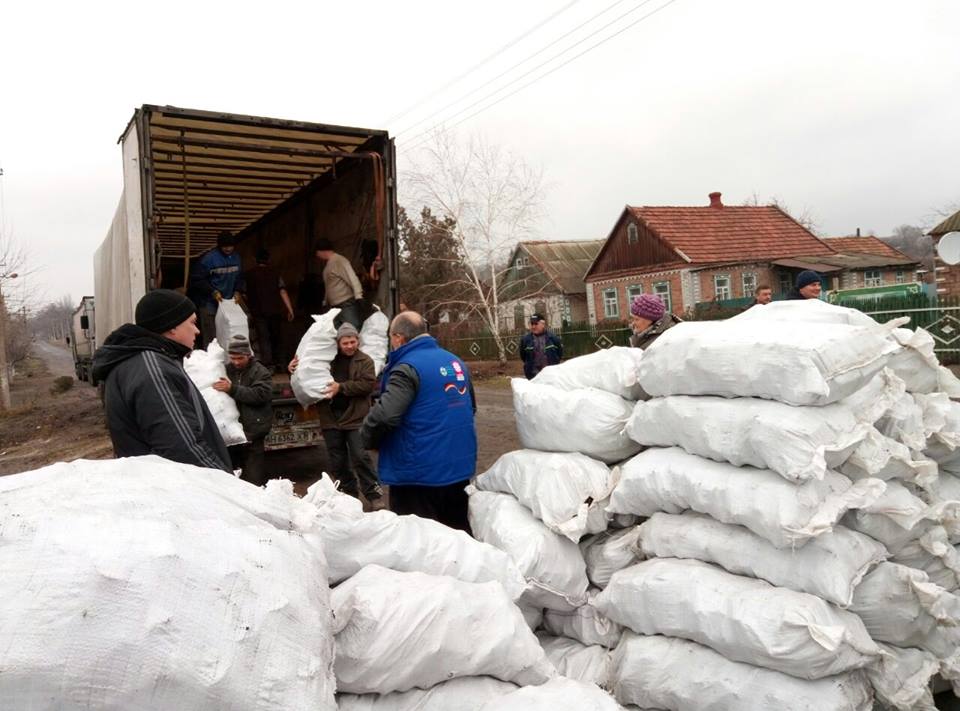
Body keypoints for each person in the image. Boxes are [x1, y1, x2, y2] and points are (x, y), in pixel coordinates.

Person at [360, 311, 477, 531]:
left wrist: (367, 440)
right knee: (457, 538)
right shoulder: (456, 362)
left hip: (417, 476)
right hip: (457, 470)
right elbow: (471, 408)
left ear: (398, 338)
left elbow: (385, 416)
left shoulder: (406, 368)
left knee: (418, 540)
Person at [91, 289, 231, 472]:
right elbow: (181, 447)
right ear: (172, 326)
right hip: (183, 484)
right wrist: (227, 482)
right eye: (192, 323)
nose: (197, 331)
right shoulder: (151, 368)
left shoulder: (144, 361)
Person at [290, 323, 385, 510]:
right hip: (330, 418)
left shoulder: (365, 360)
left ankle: (374, 495)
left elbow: (367, 385)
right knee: (337, 461)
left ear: (358, 341)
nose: (350, 346)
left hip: (355, 417)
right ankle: (348, 496)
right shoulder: (326, 359)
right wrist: (294, 368)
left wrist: (340, 387)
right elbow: (308, 373)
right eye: (345, 343)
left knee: (361, 457)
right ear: (338, 343)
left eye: (353, 342)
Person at [214, 334, 273, 486]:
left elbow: (260, 395)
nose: (236, 362)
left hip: (253, 431)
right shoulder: (227, 370)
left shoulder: (260, 372)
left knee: (253, 477)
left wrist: (232, 389)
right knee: (234, 475)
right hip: (232, 432)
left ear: (248, 355)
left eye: (240, 358)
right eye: (233, 358)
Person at [240, 247, 294, 370]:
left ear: (254, 259)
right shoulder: (275, 273)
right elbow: (282, 291)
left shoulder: (249, 275)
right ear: (269, 259)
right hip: (275, 311)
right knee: (277, 337)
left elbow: (243, 293)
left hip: (258, 312)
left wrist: (250, 304)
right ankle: (281, 363)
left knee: (263, 338)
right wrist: (290, 309)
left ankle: (269, 365)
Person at [189, 230, 243, 347]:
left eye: (230, 246)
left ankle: (227, 357)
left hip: (228, 303)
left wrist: (238, 291)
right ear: (219, 246)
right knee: (212, 338)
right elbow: (197, 280)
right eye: (225, 246)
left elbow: (239, 277)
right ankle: (211, 357)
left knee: (228, 335)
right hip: (209, 304)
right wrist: (212, 291)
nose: (228, 249)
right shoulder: (208, 259)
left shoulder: (236, 258)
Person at [314, 238, 364, 330]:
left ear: (322, 251)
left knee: (352, 330)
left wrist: (358, 295)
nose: (317, 256)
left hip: (346, 304)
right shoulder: (328, 265)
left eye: (317, 253)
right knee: (338, 332)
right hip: (334, 307)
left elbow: (352, 278)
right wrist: (325, 301)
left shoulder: (339, 261)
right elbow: (329, 286)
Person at [520, 313, 563, 379]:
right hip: (533, 377)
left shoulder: (553, 338)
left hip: (551, 376)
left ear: (543, 324)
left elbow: (559, 354)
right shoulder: (525, 340)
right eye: (532, 324)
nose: (533, 326)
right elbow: (523, 357)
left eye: (536, 324)